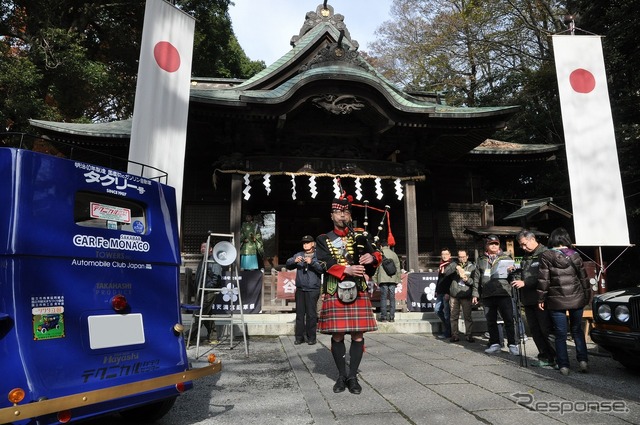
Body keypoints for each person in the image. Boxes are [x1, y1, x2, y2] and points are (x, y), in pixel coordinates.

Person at [316, 194, 381, 395]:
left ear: (349, 214)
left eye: (345, 212)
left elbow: (377, 255)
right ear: (332, 215)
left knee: (358, 334)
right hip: (335, 289)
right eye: (338, 212)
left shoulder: (361, 236)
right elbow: (323, 262)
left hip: (358, 289)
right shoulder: (323, 239)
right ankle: (341, 375)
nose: (342, 216)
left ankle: (352, 377)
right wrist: (346, 270)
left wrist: (372, 257)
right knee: (337, 335)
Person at [537, 227, 591, 375]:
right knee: (577, 331)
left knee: (560, 334)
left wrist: (541, 298)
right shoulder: (575, 255)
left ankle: (564, 366)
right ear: (566, 239)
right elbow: (584, 278)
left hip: (556, 300)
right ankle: (583, 361)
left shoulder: (546, 255)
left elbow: (544, 280)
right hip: (577, 298)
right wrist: (587, 297)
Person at [511, 230, 556, 367]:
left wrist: (526, 282)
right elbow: (524, 273)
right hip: (527, 298)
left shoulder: (545, 253)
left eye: (524, 244)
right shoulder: (526, 256)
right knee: (534, 330)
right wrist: (516, 273)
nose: (523, 248)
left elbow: (546, 276)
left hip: (541, 298)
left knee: (546, 329)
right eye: (521, 246)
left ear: (532, 239)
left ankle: (557, 358)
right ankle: (544, 357)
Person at [474, 235, 519, 356]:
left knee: (509, 319)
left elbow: (513, 276)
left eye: (496, 244)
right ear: (487, 245)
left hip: (503, 292)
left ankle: (513, 344)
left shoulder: (506, 257)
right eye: (491, 243)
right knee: (491, 320)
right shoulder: (481, 259)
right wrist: (475, 294)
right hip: (487, 293)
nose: (494, 246)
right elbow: (477, 277)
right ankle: (495, 343)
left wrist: (513, 271)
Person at [286, 235, 323, 345]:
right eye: (304, 243)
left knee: (311, 314)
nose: (305, 244)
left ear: (313, 244)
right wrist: (294, 261)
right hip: (300, 288)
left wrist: (312, 262)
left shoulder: (318, 255)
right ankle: (299, 337)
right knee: (299, 314)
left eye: (307, 242)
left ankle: (311, 337)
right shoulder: (299, 255)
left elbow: (322, 269)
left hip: (313, 288)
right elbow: (288, 264)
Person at [190, 241, 223, 345]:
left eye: (205, 246)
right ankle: (213, 337)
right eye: (201, 246)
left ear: (211, 249)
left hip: (208, 291)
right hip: (201, 292)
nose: (202, 248)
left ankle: (189, 337)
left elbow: (216, 276)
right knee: (207, 314)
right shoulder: (203, 260)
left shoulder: (213, 260)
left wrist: (208, 287)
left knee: (199, 314)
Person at [449, 249, 478, 342]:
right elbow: (445, 272)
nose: (461, 259)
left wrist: (466, 280)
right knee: (453, 316)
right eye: (460, 257)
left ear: (467, 256)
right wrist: (456, 267)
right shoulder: (453, 265)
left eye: (463, 257)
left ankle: (469, 335)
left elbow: (475, 282)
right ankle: (454, 335)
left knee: (467, 316)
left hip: (466, 295)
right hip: (454, 295)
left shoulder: (472, 267)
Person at [373, 238, 401, 322]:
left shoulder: (379, 254)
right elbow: (398, 267)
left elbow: (376, 268)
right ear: (388, 246)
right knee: (392, 298)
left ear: (381, 246)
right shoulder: (394, 254)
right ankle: (392, 317)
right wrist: (398, 279)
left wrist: (375, 279)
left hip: (382, 279)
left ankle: (384, 317)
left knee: (383, 298)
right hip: (392, 279)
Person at [435, 248, 456, 339]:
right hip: (440, 291)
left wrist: (448, 292)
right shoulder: (441, 266)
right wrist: (436, 290)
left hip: (447, 292)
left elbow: (451, 281)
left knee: (447, 313)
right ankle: (449, 328)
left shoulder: (452, 265)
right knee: (437, 310)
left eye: (446, 254)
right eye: (443, 254)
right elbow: (440, 279)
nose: (444, 256)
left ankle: (448, 332)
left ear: (450, 255)